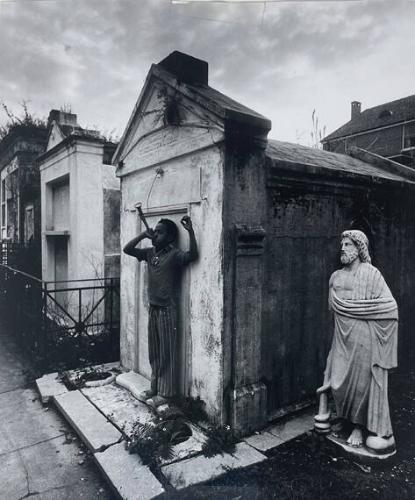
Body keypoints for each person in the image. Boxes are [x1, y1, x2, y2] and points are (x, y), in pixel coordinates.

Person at [319, 230, 398, 452]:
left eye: (347, 244)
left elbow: (390, 307)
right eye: (342, 244)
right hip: (342, 337)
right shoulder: (335, 276)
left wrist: (364, 313)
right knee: (338, 381)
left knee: (362, 383)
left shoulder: (372, 274)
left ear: (359, 248)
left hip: (364, 337)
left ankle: (359, 427)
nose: (342, 248)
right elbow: (332, 311)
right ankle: (345, 419)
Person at [123, 215, 198, 407]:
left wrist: (190, 231)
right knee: (154, 351)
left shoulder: (174, 254)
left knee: (167, 353)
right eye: (154, 231)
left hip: (167, 309)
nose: (155, 235)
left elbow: (192, 256)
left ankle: (167, 394)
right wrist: (142, 234)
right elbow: (127, 249)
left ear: (170, 237)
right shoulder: (150, 253)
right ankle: (155, 387)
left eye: (160, 232)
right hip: (154, 308)